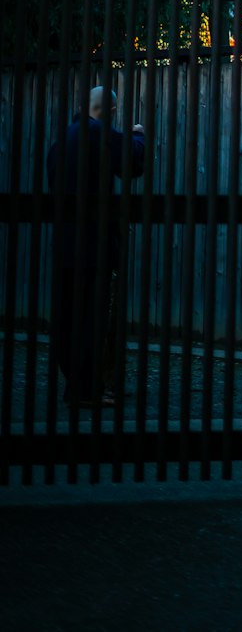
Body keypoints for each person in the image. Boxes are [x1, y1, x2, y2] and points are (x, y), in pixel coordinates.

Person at [47, 86, 146, 406]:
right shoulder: (97, 134)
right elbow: (132, 162)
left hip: (64, 244)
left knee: (68, 317)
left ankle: (76, 383)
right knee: (93, 319)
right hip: (94, 245)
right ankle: (86, 389)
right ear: (112, 111)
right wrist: (139, 136)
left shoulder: (61, 140)